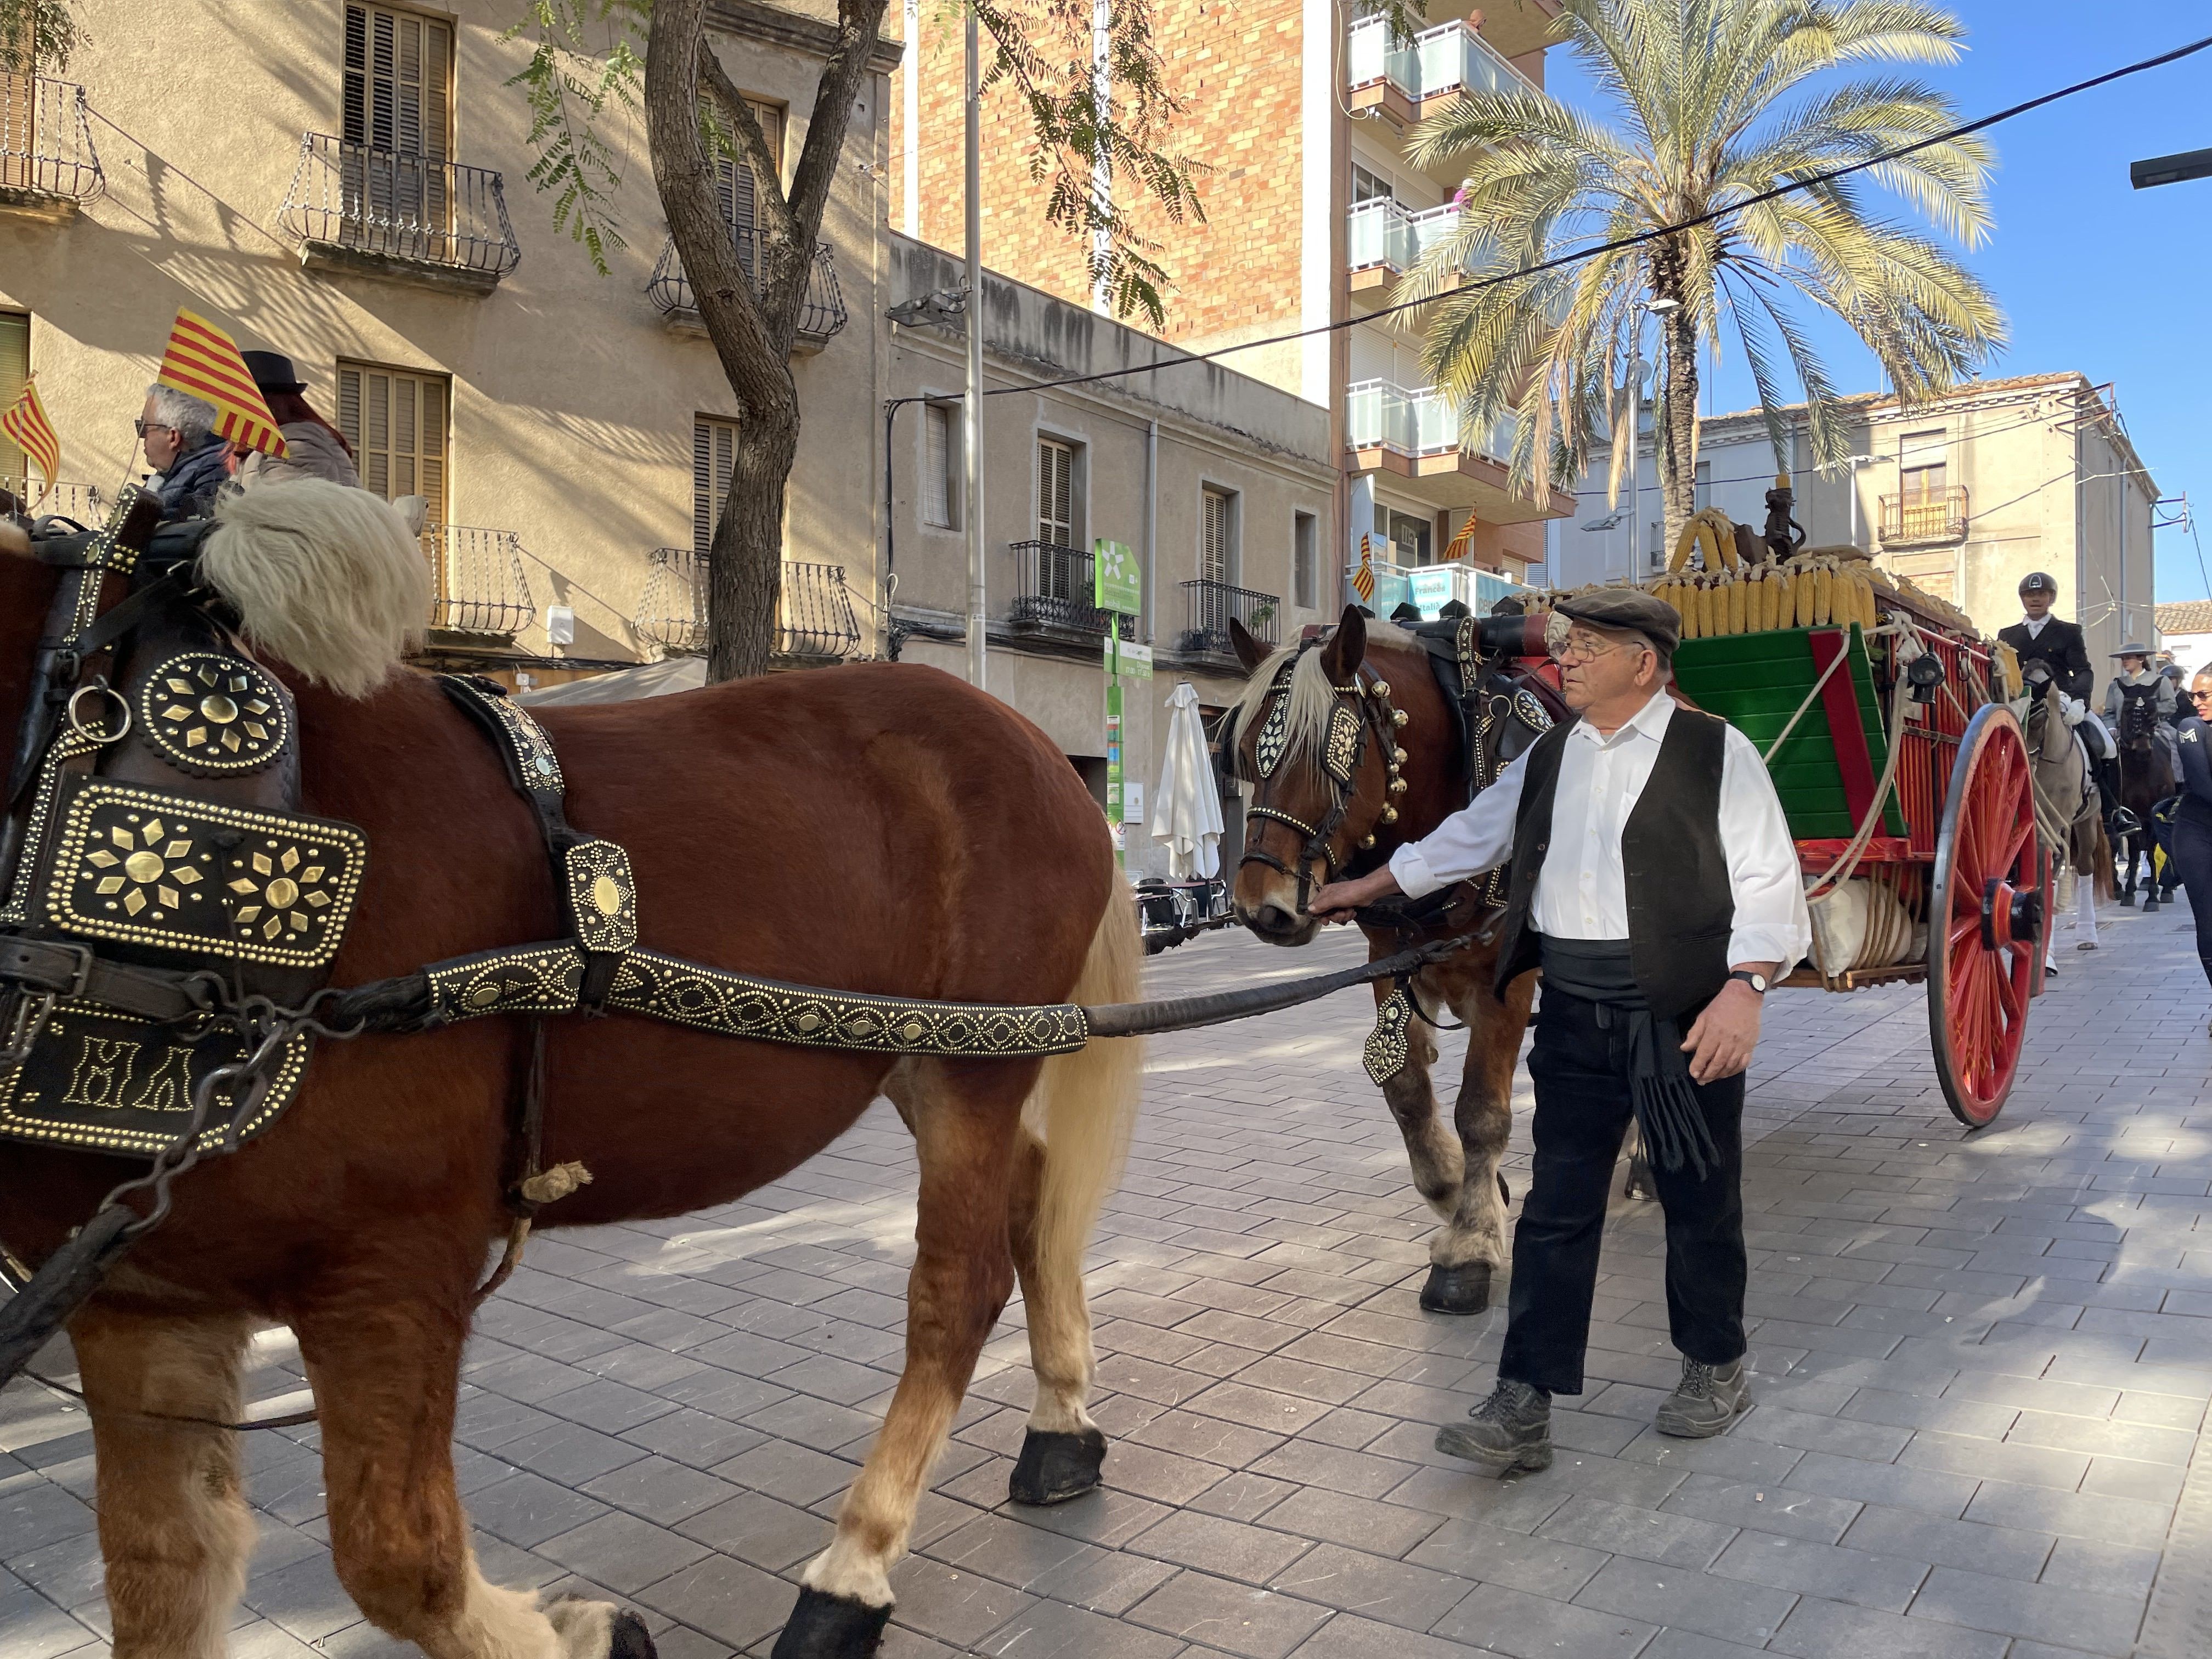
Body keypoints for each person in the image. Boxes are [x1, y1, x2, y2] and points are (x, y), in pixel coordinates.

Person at [1309, 590, 1809, 1471]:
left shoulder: (1714, 751)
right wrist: (1366, 888)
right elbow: (1468, 839)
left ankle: (1715, 1363)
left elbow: (1772, 880)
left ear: (1643, 663)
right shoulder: (1548, 755)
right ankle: (1523, 1400)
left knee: (1698, 1197)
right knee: (1555, 1211)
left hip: (1685, 1012)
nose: (1565, 658)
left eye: (1586, 646)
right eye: (1567, 644)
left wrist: (1746, 989)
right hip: (1575, 1010)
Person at [230, 351, 362, 490]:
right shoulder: (271, 444)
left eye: (239, 401)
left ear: (269, 404)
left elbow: (282, 508)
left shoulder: (294, 444)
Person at [2171, 673, 2212, 1030]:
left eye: (2205, 695)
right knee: (2209, 923)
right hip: (2197, 831)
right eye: (2194, 694)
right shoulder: (2190, 726)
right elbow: (2200, 782)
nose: (2197, 701)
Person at [138, 384, 229, 520]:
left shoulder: (212, 475)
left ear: (173, 437)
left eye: (144, 427)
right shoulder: (173, 471)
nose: (141, 436)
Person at [1998, 573, 2092, 702]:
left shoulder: (2069, 632)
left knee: (2094, 723)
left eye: (2042, 594)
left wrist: (2080, 701)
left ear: (2052, 598)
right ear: (2023, 598)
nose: (2035, 599)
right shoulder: (2007, 635)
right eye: (2030, 595)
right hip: (2019, 698)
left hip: (2060, 699)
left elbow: (2082, 671)